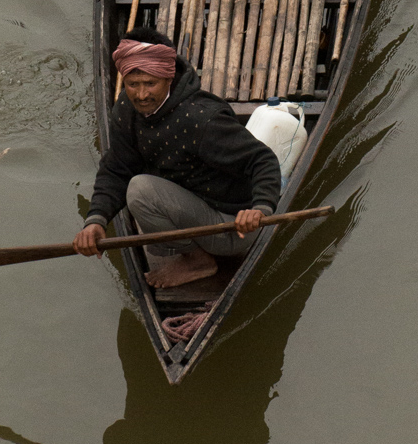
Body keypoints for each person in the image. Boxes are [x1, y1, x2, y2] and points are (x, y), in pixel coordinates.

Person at [73, 28, 282, 289]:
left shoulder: (201, 118)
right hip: (192, 203)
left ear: (168, 78)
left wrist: (260, 209)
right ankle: (189, 250)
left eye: (150, 84)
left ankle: (197, 261)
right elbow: (117, 168)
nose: (141, 95)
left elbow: (263, 160)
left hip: (232, 229)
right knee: (136, 184)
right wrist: (97, 219)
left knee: (140, 190)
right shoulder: (127, 108)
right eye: (132, 84)